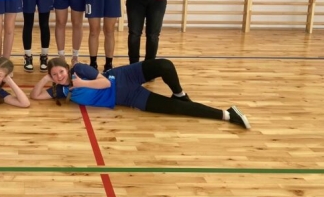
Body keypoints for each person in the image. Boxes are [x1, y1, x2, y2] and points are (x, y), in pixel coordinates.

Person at [30, 58, 250, 129]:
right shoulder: (61, 90)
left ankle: (180, 93)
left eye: (60, 72)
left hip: (124, 76)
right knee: (176, 109)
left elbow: (104, 83)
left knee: (164, 65)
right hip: (129, 98)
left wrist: (81, 83)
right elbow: (36, 96)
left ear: (67, 68)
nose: (59, 76)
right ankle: (227, 114)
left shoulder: (79, 70)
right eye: (55, 75)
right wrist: (45, 79)